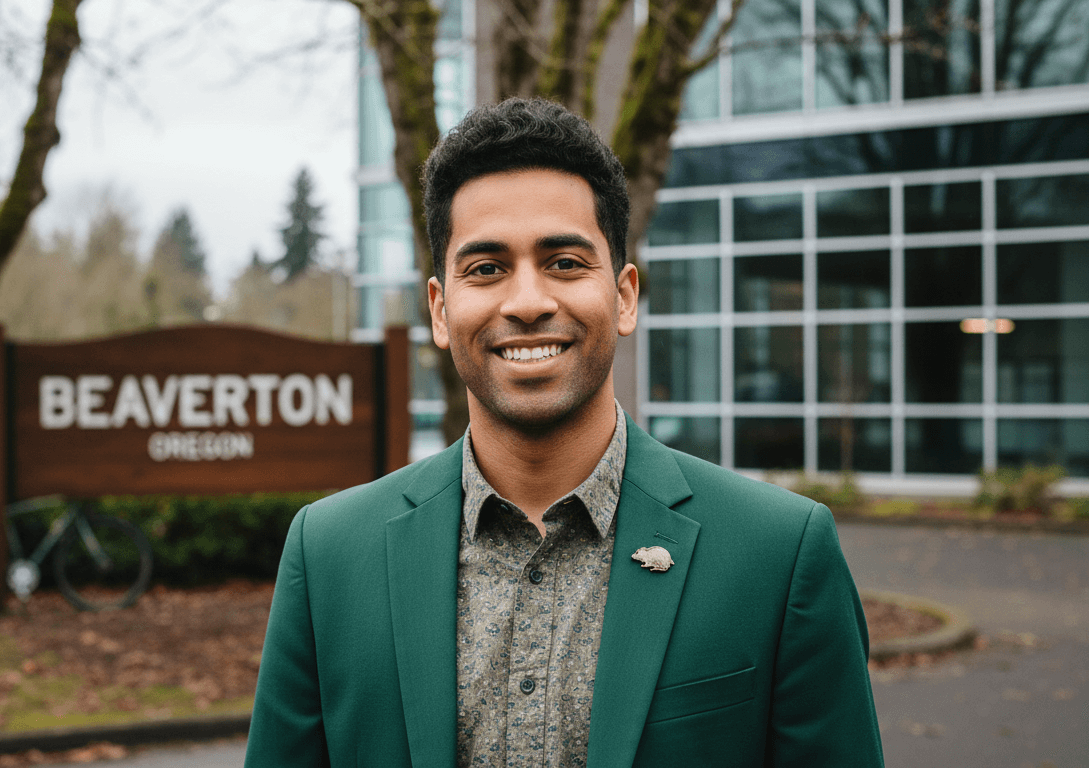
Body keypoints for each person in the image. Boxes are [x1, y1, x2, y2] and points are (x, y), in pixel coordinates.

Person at [245, 98, 884, 767]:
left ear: (625, 296)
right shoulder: (329, 558)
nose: (527, 302)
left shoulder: (779, 556)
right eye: (486, 268)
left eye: (565, 262)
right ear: (440, 309)